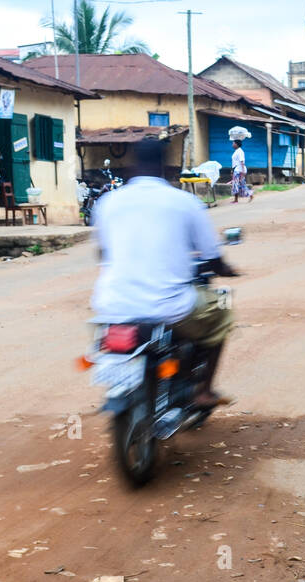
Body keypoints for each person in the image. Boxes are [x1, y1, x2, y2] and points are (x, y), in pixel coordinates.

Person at [91, 139, 237, 410]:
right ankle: (203, 390)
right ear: (163, 165)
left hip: (112, 305)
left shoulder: (108, 202)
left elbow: (103, 253)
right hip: (169, 307)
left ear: (132, 165)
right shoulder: (184, 202)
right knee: (222, 315)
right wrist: (225, 270)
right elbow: (213, 257)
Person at [230, 138, 253, 203]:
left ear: (237, 144)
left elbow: (242, 161)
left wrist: (243, 171)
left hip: (239, 170)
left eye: (233, 143)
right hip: (236, 170)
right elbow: (234, 162)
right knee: (238, 184)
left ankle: (237, 199)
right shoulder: (236, 151)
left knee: (237, 184)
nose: (232, 145)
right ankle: (238, 199)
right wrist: (232, 170)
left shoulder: (240, 151)